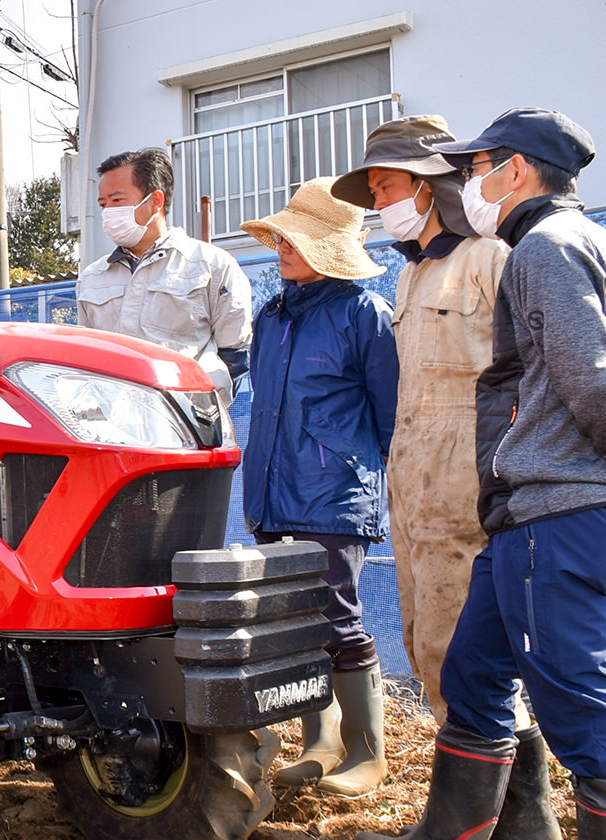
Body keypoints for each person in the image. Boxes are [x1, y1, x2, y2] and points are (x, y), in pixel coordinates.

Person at [358, 108, 605, 840]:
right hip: (514, 508)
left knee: (574, 701)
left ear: (517, 170)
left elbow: (589, 380)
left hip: (551, 505)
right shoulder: (546, 246)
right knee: (470, 672)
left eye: (478, 167)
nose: (471, 181)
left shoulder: (540, 250)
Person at [329, 116, 512, 729]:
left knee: (468, 649)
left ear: (429, 185)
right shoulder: (410, 274)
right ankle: (497, 807)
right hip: (413, 486)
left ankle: (489, 806)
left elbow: (525, 369)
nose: (379, 205)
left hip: (469, 484)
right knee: (425, 638)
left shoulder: (491, 257)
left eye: (385, 188)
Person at [240, 177, 398, 797]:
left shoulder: (365, 314)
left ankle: (367, 751)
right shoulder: (271, 314)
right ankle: (322, 742)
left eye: (295, 239)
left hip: (333, 495)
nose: (281, 245)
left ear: (331, 249)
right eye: (282, 235)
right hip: (276, 489)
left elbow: (392, 416)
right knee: (297, 619)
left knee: (338, 615)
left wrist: (373, 483)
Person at [77, 147, 252, 407]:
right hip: (112, 428)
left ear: (155, 201)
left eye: (117, 201)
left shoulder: (212, 265)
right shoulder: (92, 277)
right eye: (103, 205)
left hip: (185, 428)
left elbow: (235, 354)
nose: (108, 214)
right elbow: (86, 358)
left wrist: (203, 413)